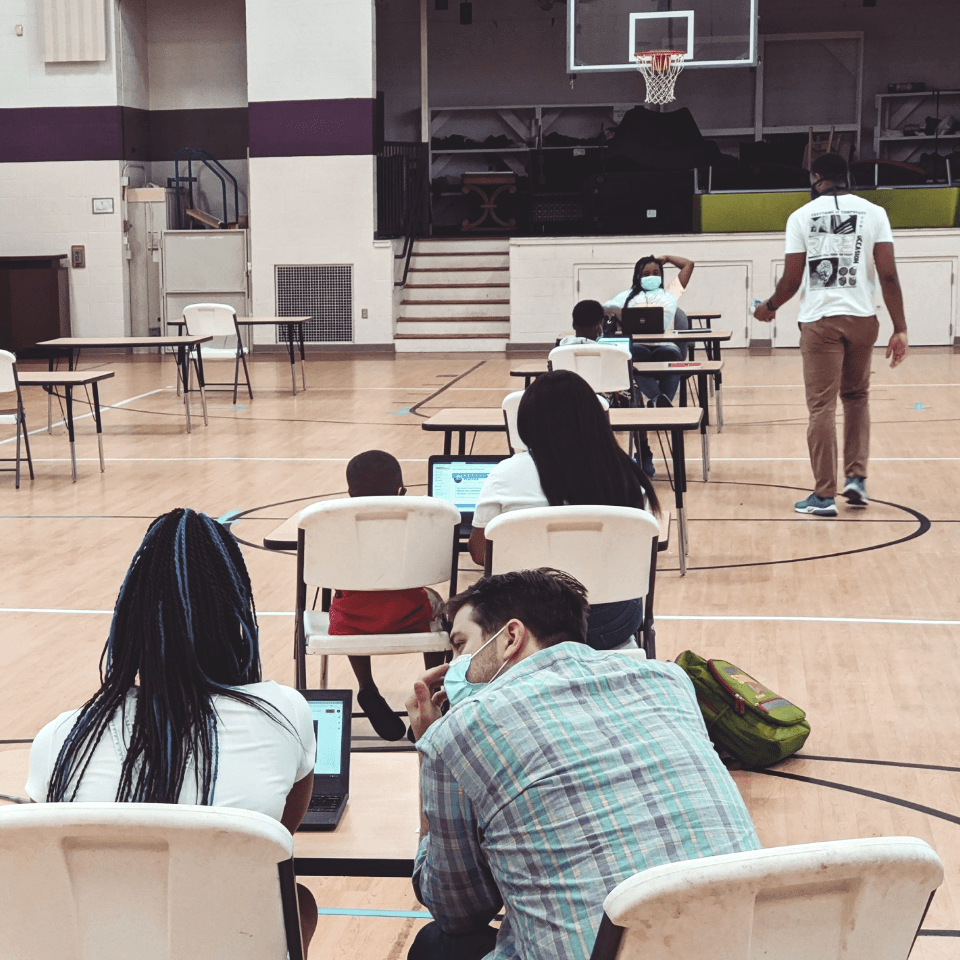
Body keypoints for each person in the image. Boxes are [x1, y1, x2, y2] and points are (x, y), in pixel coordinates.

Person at [405, 568, 761, 960]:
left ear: (510, 637)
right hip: (736, 944)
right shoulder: (669, 680)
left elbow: (457, 911)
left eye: (460, 645)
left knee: (437, 945)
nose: (454, 665)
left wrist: (427, 747)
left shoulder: (459, 730)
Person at [26, 508, 319, 957]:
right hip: (219, 945)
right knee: (297, 903)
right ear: (235, 616)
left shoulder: (59, 739)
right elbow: (276, 838)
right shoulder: (285, 714)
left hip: (104, 947)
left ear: (131, 620)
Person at [753, 152, 908, 517]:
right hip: (862, 319)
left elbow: (792, 280)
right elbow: (888, 275)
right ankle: (856, 478)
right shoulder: (875, 213)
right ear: (848, 177)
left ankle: (824, 496)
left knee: (821, 407)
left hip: (820, 322)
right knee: (856, 397)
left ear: (816, 177)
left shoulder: (800, 217)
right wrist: (900, 327)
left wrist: (770, 306)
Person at [468, 370, 659, 651]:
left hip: (528, 624)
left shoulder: (506, 474)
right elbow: (637, 554)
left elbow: (481, 552)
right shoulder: (626, 474)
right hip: (610, 622)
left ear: (528, 421)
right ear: (594, 417)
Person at [329, 449, 443, 742]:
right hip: (410, 613)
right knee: (438, 606)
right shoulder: (417, 520)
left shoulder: (336, 524)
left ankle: (366, 685)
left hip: (352, 621)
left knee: (345, 596)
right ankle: (431, 691)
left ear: (350, 493)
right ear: (401, 491)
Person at [603, 253, 695, 408]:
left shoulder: (670, 294)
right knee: (635, 357)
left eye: (655, 273)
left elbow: (688, 265)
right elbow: (605, 311)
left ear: (661, 275)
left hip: (665, 346)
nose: (651, 277)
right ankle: (659, 400)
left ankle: (660, 401)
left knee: (672, 356)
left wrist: (667, 258)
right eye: (645, 274)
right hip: (638, 346)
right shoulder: (625, 296)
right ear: (637, 276)